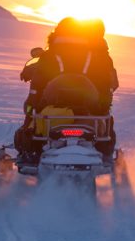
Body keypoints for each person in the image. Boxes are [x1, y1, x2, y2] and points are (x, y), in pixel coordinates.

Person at [14, 17, 119, 164]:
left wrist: (33, 102)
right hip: (91, 112)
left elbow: (39, 81)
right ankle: (105, 155)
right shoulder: (97, 56)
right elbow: (109, 82)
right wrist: (102, 105)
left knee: (32, 119)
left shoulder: (51, 54)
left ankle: (31, 154)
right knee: (105, 123)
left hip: (54, 111)